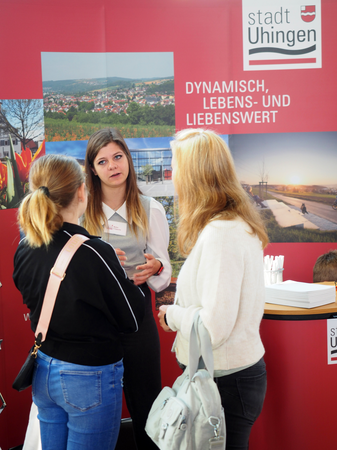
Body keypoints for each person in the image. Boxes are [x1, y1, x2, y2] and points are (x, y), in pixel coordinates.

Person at [13, 154, 145, 450]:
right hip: (89, 377)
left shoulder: (26, 246)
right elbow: (132, 320)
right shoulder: (95, 252)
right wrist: (119, 271)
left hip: (44, 369)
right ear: (82, 192)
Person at [158, 128, 269, 450]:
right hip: (225, 377)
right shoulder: (228, 226)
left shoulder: (222, 233)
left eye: (176, 166)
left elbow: (214, 327)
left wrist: (173, 314)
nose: (172, 175)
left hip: (225, 381)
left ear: (193, 175)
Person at [83, 128, 172, 450]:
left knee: (146, 401)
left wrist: (156, 268)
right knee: (94, 407)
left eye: (117, 157)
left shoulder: (151, 208)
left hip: (136, 316)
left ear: (128, 160)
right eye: (102, 161)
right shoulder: (81, 209)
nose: (112, 166)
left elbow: (163, 270)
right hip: (93, 320)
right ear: (92, 169)